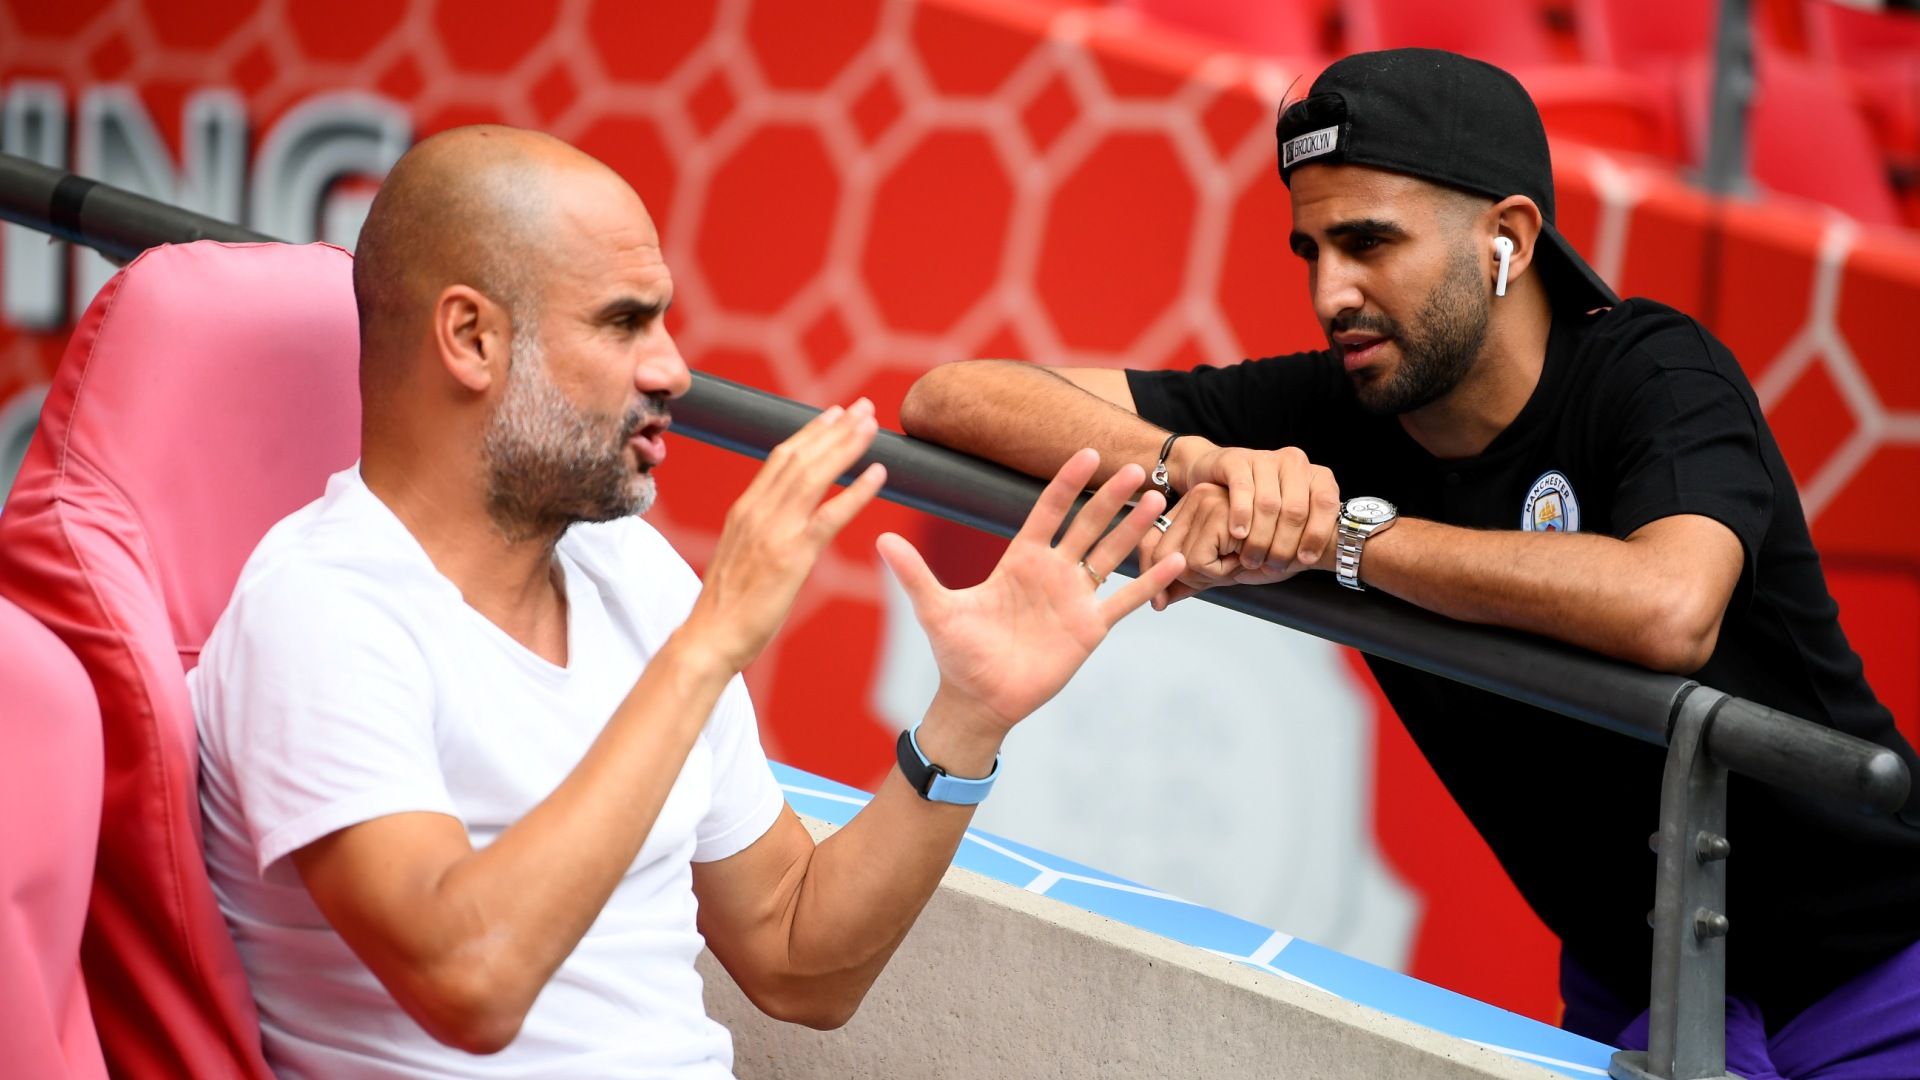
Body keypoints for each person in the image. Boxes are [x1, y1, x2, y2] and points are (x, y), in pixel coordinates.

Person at [901, 48, 1920, 1078]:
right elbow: (949, 398)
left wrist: (1346, 537)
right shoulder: (1326, 410)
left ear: (1507, 240)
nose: (1330, 290)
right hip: (1648, 987)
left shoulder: (1655, 369)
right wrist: (1191, 462)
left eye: (1367, 242)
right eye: (1310, 250)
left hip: (1882, 972)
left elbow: (1668, 607)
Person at [190, 125, 1183, 1077]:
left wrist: (968, 717)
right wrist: (706, 647)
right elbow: (469, 983)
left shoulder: (630, 571)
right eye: (623, 322)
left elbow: (796, 959)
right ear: (471, 337)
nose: (672, 368)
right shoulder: (320, 613)